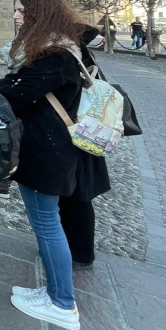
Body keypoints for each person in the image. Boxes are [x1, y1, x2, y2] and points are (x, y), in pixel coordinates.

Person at [0, 0, 83, 330]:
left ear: (39, 14)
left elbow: (12, 92)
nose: (15, 16)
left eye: (20, 11)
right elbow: (14, 85)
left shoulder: (55, 55)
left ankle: (62, 301)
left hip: (48, 152)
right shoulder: (53, 51)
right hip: (49, 148)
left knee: (47, 224)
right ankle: (54, 291)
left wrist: (9, 83)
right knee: (46, 222)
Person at [58, 25, 112, 266]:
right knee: (76, 195)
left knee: (77, 195)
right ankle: (77, 249)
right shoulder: (76, 48)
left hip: (78, 128)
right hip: (82, 127)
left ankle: (79, 252)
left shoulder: (66, 51)